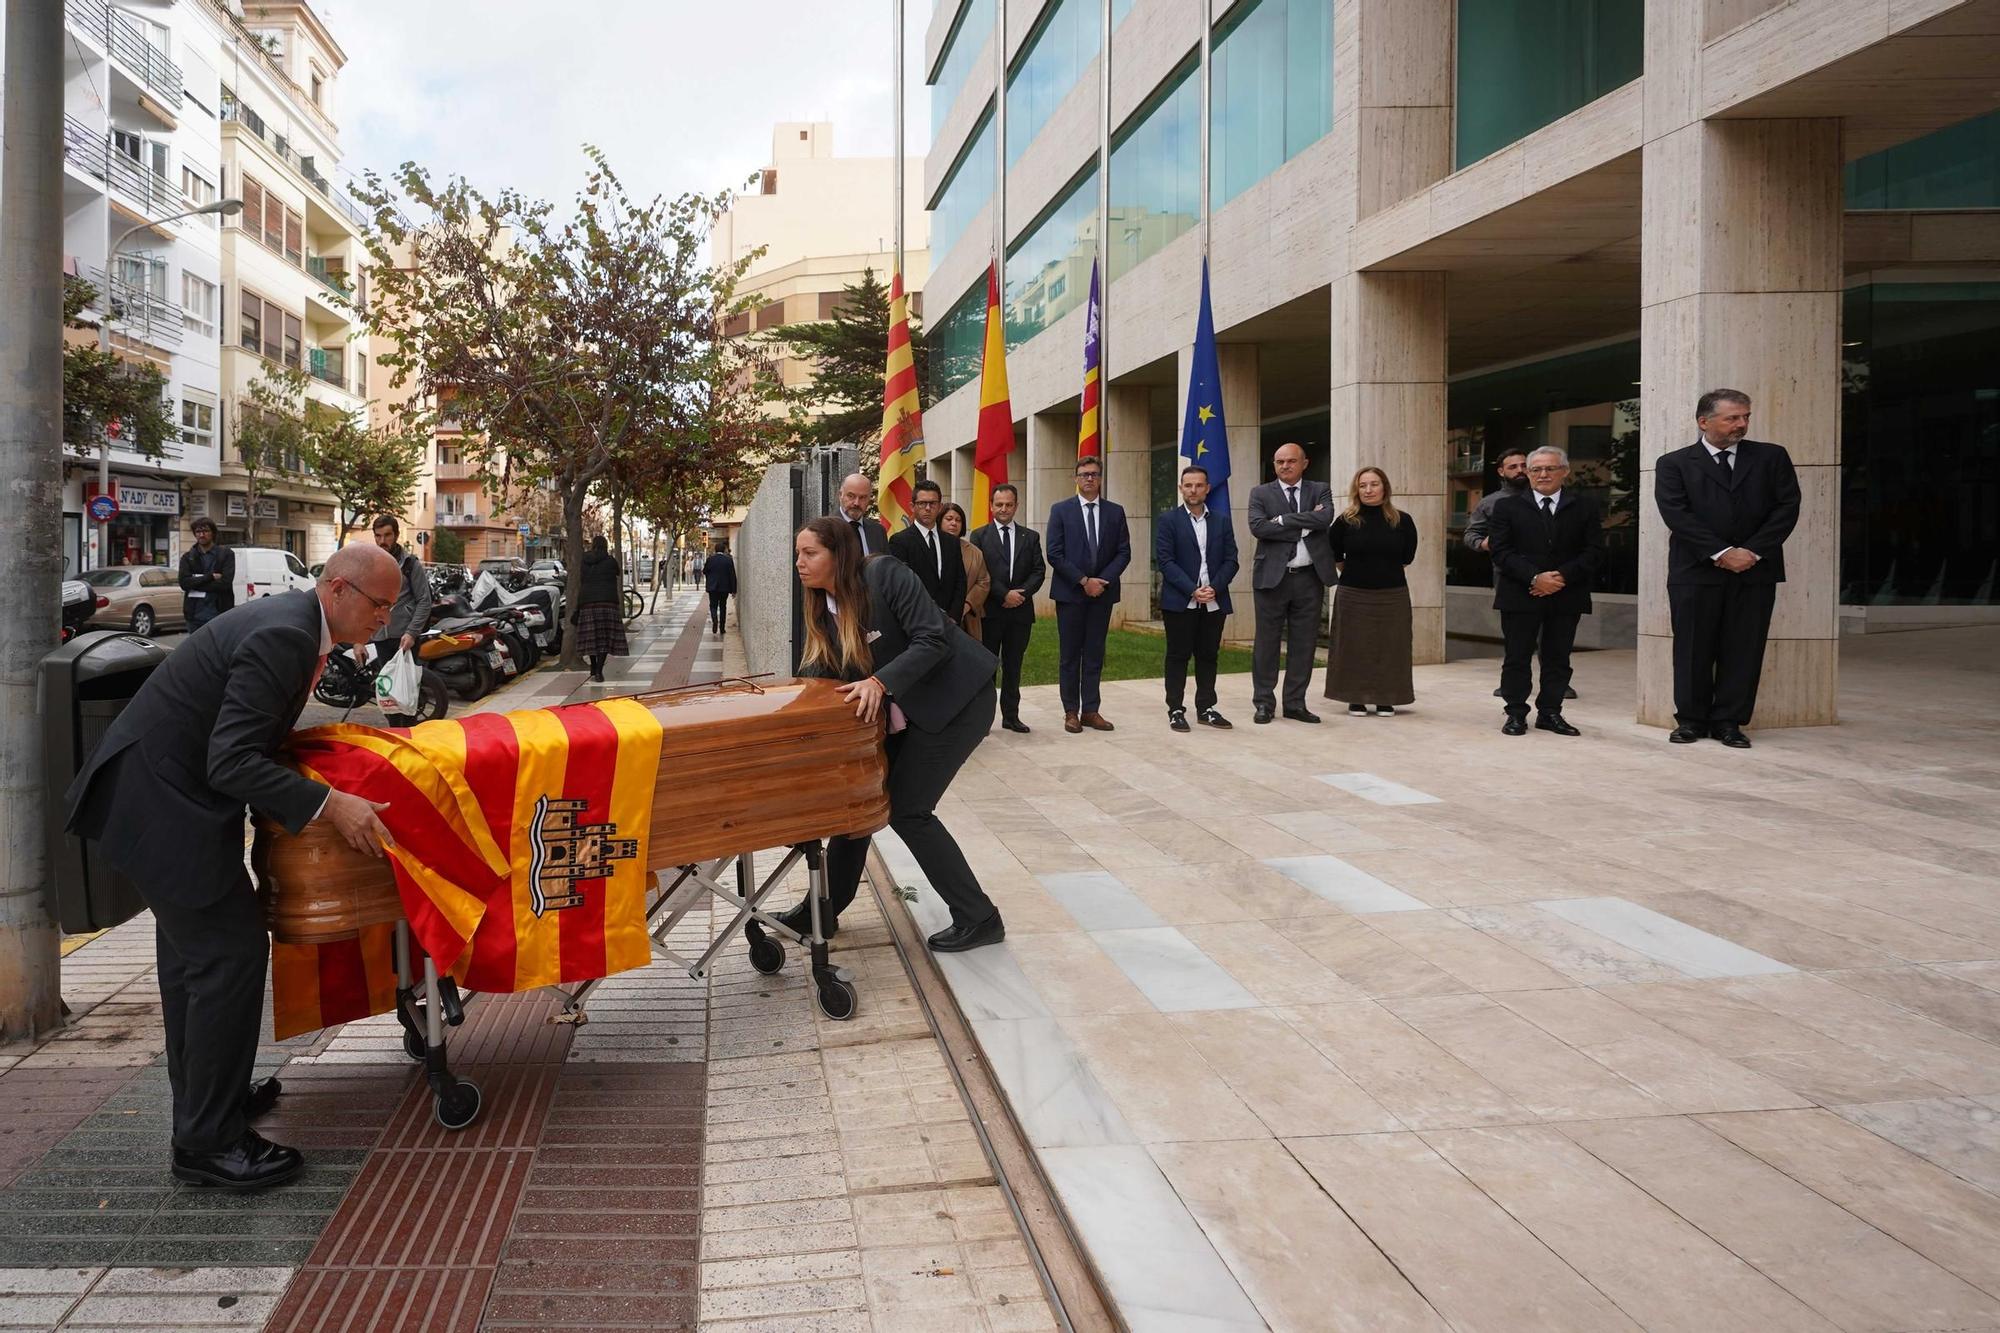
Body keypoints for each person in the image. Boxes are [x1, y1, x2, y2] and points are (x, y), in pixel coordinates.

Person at [65, 544, 400, 1189]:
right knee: (230, 955)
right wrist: (332, 804)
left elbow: (243, 738)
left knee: (198, 964)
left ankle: (208, 1106)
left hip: (164, 799)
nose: (385, 618)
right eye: (379, 604)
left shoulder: (296, 625)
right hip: (162, 807)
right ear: (338, 589)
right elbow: (231, 761)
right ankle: (207, 1144)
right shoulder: (284, 636)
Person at [781, 518, 1005, 952]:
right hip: (908, 709)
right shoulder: (819, 604)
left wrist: (879, 683)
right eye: (798, 554)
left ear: (838, 555)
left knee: (908, 810)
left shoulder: (885, 574)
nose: (800, 563)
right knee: (859, 802)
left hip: (958, 701)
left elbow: (932, 639)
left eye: (810, 554)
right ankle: (822, 912)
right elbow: (822, 672)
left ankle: (980, 918)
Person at [1655, 389, 1801, 749]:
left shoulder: (1771, 457)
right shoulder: (1674, 463)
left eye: (1745, 416)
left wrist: (1751, 551)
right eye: (1732, 418)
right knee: (1692, 648)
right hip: (1695, 571)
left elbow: (1787, 507)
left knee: (1744, 647)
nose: (1742, 424)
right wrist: (1721, 552)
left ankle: (1729, 722)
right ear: (1704, 422)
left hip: (1754, 570)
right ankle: (1690, 720)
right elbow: (1677, 514)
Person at [1488, 447, 1603, 736]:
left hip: (1567, 594)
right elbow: (1501, 552)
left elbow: (1594, 551)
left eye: (1550, 468)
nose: (1543, 474)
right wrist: (1535, 577)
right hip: (1520, 594)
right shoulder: (1507, 507)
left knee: (1558, 658)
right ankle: (1515, 713)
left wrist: (1560, 577)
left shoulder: (1585, 507)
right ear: (1527, 473)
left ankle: (1550, 713)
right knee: (1517, 657)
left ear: (1564, 471)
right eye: (1536, 469)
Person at [1470, 449, 1578, 703]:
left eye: (1522, 465)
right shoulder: (1495, 504)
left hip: (1560, 584)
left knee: (1555, 643)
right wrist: (1489, 545)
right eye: (1513, 467)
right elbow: (1477, 538)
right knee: (1518, 643)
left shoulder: (1574, 505)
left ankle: (1553, 699)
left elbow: (1587, 549)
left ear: (1564, 471)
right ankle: (1515, 702)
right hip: (1512, 579)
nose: (1519, 471)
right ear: (1502, 472)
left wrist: (1558, 577)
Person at [1246, 443, 1338, 725]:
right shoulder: (1260, 493)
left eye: (1290, 461)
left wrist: (1284, 520)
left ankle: (1295, 703)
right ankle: (1264, 703)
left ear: (1304, 463)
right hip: (1272, 579)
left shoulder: (1319, 489)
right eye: (1279, 462)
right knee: (1266, 643)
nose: (1284, 466)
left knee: (1304, 643)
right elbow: (1258, 527)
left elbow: (1325, 518)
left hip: (1309, 578)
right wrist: (1305, 525)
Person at [1324, 467, 1419, 716]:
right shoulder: (1346, 521)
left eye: (1374, 484)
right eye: (1363, 485)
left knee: (1391, 647)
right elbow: (1333, 552)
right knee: (1353, 646)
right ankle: (1355, 698)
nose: (1368, 490)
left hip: (1392, 595)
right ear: (1357, 490)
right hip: (1353, 594)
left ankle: (1385, 698)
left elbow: (1407, 557)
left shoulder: (1402, 520)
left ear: (1384, 488)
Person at [1045, 456, 1130, 733]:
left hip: (1102, 595)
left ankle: (1091, 710)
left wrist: (1100, 581)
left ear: (1101, 478)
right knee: (1070, 654)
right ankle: (1071, 711)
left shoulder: (1115, 512)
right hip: (1071, 594)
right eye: (1083, 474)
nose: (1089, 479)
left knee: (1095, 653)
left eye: (1094, 474)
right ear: (1076, 478)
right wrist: (1083, 581)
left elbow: (1123, 552)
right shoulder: (1060, 511)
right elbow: (1054, 553)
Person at [1155, 465, 1238, 732]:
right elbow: (1166, 562)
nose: (1193, 490)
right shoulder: (1169, 521)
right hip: (1181, 601)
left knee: (1208, 655)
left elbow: (1231, 559)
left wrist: (1214, 586)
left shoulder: (1222, 521)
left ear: (1207, 488)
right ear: (1181, 489)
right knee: (1178, 655)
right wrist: (1193, 589)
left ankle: (1206, 707)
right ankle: (1176, 709)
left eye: (1199, 485)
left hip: (1214, 599)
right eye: (1188, 485)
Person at [968, 483, 1044, 734]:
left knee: (1014, 666)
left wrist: (1020, 594)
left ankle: (1011, 716)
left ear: (1016, 506)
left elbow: (1038, 571)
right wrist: (1004, 594)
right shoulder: (979, 536)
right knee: (988, 666)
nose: (1003, 509)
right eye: (999, 504)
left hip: (1020, 613)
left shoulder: (1030, 537)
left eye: (1008, 504)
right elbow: (982, 571)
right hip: (991, 611)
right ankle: (984, 719)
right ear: (991, 506)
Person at [888, 479, 966, 619]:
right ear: (912, 506)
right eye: (922, 503)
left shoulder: (951, 542)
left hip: (950, 623)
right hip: (917, 621)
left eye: (933, 503)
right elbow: (901, 586)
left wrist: (953, 617)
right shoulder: (899, 541)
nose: (928, 508)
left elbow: (960, 582)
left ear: (940, 506)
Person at [576, 535, 628, 683]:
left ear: (593, 545)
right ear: (605, 546)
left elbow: (582, 580)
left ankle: (593, 665)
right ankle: (599, 671)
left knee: (592, 637)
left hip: (588, 603)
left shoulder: (584, 560)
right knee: (604, 639)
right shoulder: (611, 561)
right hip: (607, 603)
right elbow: (617, 572)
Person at [938, 502, 989, 641]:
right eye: (949, 519)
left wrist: (967, 605)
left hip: (967, 618)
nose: (954, 523)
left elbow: (983, 582)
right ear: (939, 520)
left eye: (958, 520)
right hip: (936, 616)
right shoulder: (931, 547)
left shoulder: (974, 552)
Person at [177, 517, 235, 632]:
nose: (201, 535)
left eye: (206, 531)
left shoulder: (226, 554)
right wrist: (210, 577)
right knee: (195, 649)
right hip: (194, 615)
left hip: (219, 614)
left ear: (213, 533)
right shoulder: (188, 557)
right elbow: (184, 583)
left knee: (218, 649)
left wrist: (195, 583)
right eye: (198, 532)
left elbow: (225, 584)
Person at [837, 471, 890, 555]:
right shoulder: (825, 529)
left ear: (869, 498)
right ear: (840, 495)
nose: (856, 503)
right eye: (851, 496)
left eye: (862, 497)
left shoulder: (878, 531)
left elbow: (884, 566)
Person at [703, 543, 736, 636]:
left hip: (712, 587)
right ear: (724, 550)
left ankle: (714, 620)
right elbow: (732, 575)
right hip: (724, 588)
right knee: (723, 606)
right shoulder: (728, 560)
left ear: (715, 550)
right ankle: (722, 628)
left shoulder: (710, 559)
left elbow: (704, 571)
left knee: (713, 605)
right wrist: (734, 590)